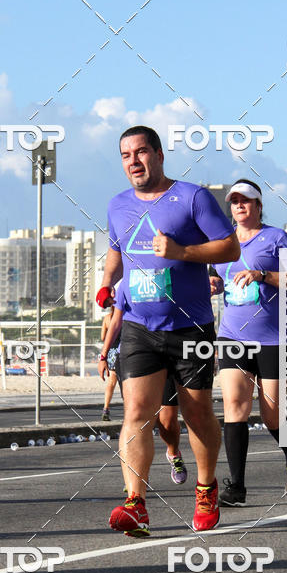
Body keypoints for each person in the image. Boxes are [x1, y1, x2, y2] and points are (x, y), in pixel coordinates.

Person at [97, 125, 239, 537]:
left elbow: (229, 248)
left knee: (196, 414)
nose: (134, 162)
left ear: (159, 154)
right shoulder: (117, 205)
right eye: (126, 155)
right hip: (140, 327)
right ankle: (135, 504)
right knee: (137, 415)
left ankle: (206, 487)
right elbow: (115, 251)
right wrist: (107, 285)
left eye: (141, 152)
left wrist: (181, 252)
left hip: (190, 327)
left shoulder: (192, 197)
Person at [210, 179, 287, 507]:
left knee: (271, 415)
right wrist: (210, 282)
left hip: (272, 337)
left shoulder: (276, 238)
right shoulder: (222, 241)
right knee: (235, 405)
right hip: (232, 334)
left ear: (258, 205)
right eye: (234, 201)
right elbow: (215, 276)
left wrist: (262, 275)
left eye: (246, 200)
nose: (239, 205)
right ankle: (236, 486)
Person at [99, 299, 189, 485]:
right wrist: (103, 355)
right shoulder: (126, 284)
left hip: (166, 352)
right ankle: (134, 476)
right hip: (133, 356)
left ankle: (173, 454)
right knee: (136, 418)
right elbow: (115, 322)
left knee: (167, 420)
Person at [100, 306, 119, 421]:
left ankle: (106, 408)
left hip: (111, 351)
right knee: (126, 383)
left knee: (111, 382)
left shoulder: (107, 318)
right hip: (124, 350)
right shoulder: (124, 317)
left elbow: (103, 337)